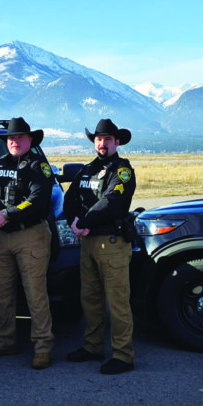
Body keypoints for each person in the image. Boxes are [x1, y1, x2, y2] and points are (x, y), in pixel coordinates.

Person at [0, 117, 55, 369]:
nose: (15, 141)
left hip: (29, 235)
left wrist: (6, 214)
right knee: (3, 293)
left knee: (35, 294)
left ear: (30, 140)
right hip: (1, 238)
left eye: (20, 137)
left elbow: (38, 200)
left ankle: (43, 346)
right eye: (11, 138)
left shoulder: (38, 166)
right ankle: (6, 341)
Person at [62, 118, 137, 375]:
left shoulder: (122, 170)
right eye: (98, 139)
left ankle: (123, 355)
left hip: (111, 243)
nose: (102, 143)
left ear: (117, 142)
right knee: (90, 299)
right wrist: (74, 221)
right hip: (88, 241)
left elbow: (112, 200)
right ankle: (93, 346)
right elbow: (70, 198)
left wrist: (84, 221)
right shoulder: (86, 170)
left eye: (107, 140)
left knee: (117, 302)